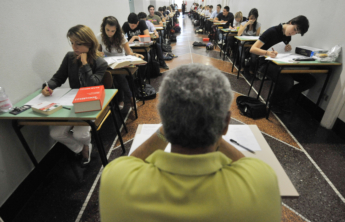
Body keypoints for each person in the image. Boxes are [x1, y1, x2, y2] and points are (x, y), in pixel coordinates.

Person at [99, 64, 281, 222]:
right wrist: (214, 127)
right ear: (225, 123)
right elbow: (247, 165)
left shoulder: (115, 180)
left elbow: (131, 162)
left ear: (165, 119)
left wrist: (168, 126)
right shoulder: (262, 182)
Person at [42, 25, 108, 165]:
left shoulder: (100, 62)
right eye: (72, 42)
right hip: (72, 102)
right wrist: (48, 86)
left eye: (78, 43)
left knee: (80, 134)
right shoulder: (69, 57)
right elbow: (58, 77)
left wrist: (84, 64)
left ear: (89, 42)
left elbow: (92, 86)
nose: (74, 47)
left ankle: (85, 145)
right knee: (55, 134)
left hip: (91, 102)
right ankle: (81, 148)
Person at [250, 15, 316, 113]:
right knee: (287, 81)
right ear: (291, 22)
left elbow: (280, 51)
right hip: (265, 63)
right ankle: (273, 102)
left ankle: (281, 99)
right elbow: (253, 49)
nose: (293, 33)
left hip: (279, 63)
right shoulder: (272, 31)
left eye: (296, 33)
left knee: (310, 80)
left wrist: (287, 49)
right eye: (295, 29)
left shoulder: (288, 37)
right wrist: (267, 53)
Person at [97, 16, 144, 110]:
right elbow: (97, 52)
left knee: (120, 76)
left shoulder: (121, 36)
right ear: (103, 28)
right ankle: (117, 100)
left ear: (116, 30)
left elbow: (129, 52)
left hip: (120, 61)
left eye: (112, 31)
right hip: (108, 63)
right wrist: (99, 53)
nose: (110, 33)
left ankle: (126, 98)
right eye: (107, 30)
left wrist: (135, 55)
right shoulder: (100, 36)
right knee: (107, 76)